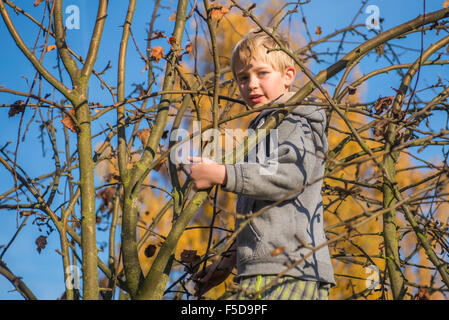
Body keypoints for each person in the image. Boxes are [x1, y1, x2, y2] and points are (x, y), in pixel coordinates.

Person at [188, 28, 335, 300]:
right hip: (268, 271)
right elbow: (260, 213)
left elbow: (287, 177)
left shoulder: (291, 119)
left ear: (288, 76)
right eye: (243, 78)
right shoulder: (265, 127)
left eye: (261, 74)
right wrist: (226, 264)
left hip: (288, 271)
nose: (251, 84)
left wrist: (222, 173)